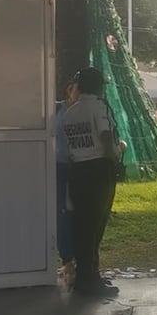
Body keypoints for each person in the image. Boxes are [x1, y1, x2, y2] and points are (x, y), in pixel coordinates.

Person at [62, 67, 122, 297]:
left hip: (77, 171)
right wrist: (115, 158)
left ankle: (85, 275)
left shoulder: (70, 112)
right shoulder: (99, 106)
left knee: (81, 226)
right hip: (99, 169)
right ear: (97, 86)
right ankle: (90, 278)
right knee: (96, 225)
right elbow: (106, 137)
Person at [54, 80, 80, 274]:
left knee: (76, 212)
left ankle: (77, 257)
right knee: (61, 211)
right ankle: (67, 258)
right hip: (59, 166)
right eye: (76, 90)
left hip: (78, 166)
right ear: (68, 91)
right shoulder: (56, 110)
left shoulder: (85, 112)